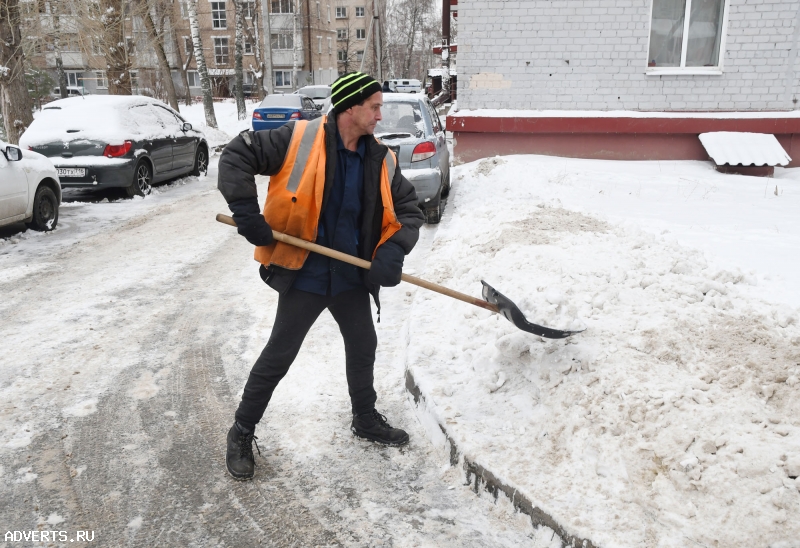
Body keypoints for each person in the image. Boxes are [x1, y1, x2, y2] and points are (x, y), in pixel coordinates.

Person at [217, 72, 425, 481]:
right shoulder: (296, 139)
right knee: (280, 353)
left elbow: (408, 213)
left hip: (350, 274)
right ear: (350, 108)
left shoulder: (380, 158)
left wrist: (393, 249)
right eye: (375, 107)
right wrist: (247, 215)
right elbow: (236, 155)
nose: (380, 116)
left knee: (363, 344)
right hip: (305, 271)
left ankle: (364, 418)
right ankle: (241, 431)